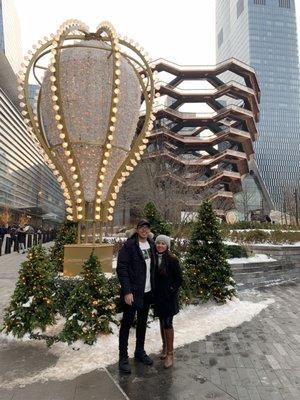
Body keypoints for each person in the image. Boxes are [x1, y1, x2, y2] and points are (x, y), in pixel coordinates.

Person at [117, 219, 156, 374]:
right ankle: (123, 357)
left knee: (142, 323)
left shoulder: (152, 245)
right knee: (126, 325)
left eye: (146, 228)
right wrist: (127, 291)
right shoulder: (130, 245)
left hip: (147, 292)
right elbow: (121, 268)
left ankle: (139, 352)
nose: (144, 230)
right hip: (132, 293)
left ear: (149, 230)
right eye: (141, 228)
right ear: (137, 229)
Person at [154, 235, 182, 369]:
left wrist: (171, 290)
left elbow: (178, 280)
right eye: (158, 243)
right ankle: (164, 347)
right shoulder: (154, 259)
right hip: (158, 297)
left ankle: (170, 353)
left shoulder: (172, 260)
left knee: (168, 323)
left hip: (169, 298)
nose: (160, 246)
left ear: (167, 246)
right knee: (161, 321)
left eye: (163, 244)